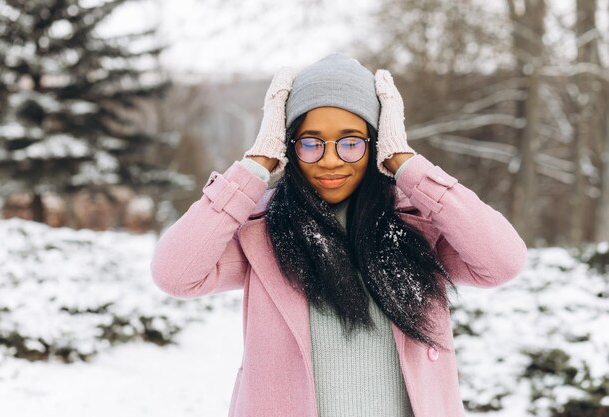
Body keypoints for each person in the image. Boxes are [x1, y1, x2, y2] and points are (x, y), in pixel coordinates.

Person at [151, 53, 528, 417]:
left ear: (375, 144)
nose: (330, 160)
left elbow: (503, 261)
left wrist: (405, 163)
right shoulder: (262, 231)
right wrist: (258, 164)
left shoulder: (418, 225)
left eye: (351, 142)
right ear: (290, 147)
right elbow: (174, 273)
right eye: (311, 143)